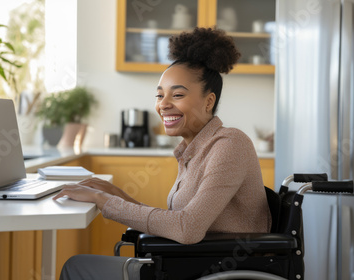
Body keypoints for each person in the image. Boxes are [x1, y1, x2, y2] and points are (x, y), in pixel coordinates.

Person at [54, 27, 272, 280]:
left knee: (76, 266)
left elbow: (187, 229)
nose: (163, 104)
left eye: (177, 95)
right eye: (160, 95)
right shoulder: (194, 150)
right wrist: (116, 195)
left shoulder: (229, 144)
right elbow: (177, 222)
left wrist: (105, 202)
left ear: (208, 102)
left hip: (214, 270)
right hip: (191, 263)